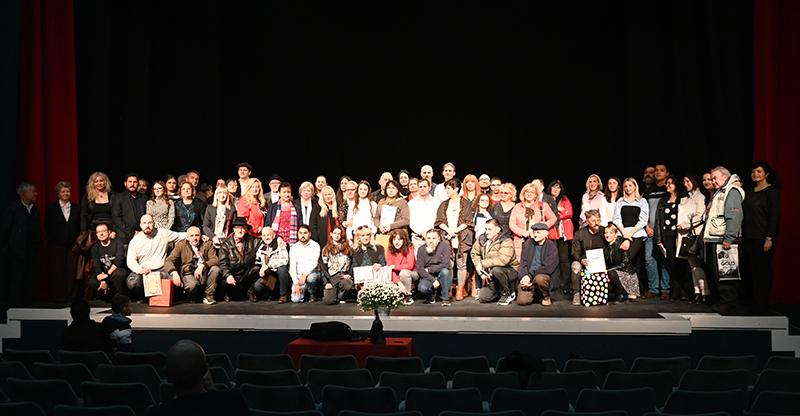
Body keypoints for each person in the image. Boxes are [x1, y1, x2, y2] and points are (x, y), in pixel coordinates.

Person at [145, 340, 248, 416]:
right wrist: (212, 389)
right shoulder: (233, 401)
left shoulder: (156, 413)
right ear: (205, 371)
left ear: (167, 375)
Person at [703, 166, 745, 314]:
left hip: (724, 240)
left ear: (725, 177)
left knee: (726, 274)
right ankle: (723, 302)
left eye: (715, 178)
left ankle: (730, 304)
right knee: (718, 274)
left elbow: (734, 216)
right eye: (712, 178)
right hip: (716, 238)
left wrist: (729, 238)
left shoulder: (731, 191)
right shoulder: (720, 191)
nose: (713, 181)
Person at [742, 161, 780, 313]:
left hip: (762, 238)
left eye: (759, 171)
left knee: (763, 270)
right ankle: (752, 301)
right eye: (753, 172)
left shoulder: (771, 192)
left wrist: (769, 238)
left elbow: (774, 217)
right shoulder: (749, 192)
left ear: (766, 174)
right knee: (751, 270)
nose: (755, 174)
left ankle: (762, 303)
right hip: (748, 237)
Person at [0, 182, 42, 314]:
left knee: (28, 280)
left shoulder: (33, 209)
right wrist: (9, 250)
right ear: (23, 193)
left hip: (30, 252)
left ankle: (25, 309)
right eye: (33, 191)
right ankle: (11, 309)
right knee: (15, 281)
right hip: (15, 253)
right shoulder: (13, 210)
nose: (35, 194)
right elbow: (5, 231)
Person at [126, 214, 186, 301]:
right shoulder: (135, 241)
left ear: (154, 224)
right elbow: (130, 261)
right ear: (140, 225)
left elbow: (181, 235)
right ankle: (143, 297)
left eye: (150, 223)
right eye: (144, 223)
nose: (147, 225)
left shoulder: (163, 233)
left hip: (161, 269)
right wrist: (140, 270)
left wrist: (199, 235)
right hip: (144, 270)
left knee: (176, 283)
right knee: (132, 283)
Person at [435, 178, 474, 301]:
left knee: (461, 264)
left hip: (462, 237)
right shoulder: (444, 204)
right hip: (447, 237)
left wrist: (455, 231)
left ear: (456, 189)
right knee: (449, 264)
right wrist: (448, 230)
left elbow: (468, 221)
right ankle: (449, 288)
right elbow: (439, 221)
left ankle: (460, 289)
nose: (447, 191)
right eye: (446, 188)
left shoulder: (466, 203)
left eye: (449, 188)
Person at [612, 178, 651, 297]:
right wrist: (624, 233)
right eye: (626, 186)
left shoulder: (642, 201)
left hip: (637, 234)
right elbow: (616, 218)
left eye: (630, 185)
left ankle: (631, 289)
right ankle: (625, 290)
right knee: (621, 260)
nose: (628, 188)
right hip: (622, 232)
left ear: (635, 187)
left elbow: (643, 220)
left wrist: (631, 233)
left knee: (628, 259)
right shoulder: (620, 201)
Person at [654, 176, 690, 300]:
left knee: (681, 262)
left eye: (671, 183)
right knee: (671, 262)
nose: (668, 185)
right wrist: (659, 239)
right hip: (667, 235)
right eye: (667, 183)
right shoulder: (663, 200)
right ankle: (674, 290)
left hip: (680, 235)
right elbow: (658, 221)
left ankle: (682, 290)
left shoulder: (683, 199)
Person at [165, 226, 220, 305]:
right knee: (193, 285)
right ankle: (192, 296)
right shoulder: (181, 245)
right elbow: (169, 260)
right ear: (187, 237)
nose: (194, 238)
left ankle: (209, 295)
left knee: (215, 269)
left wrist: (203, 265)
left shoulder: (207, 243)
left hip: (203, 272)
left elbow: (215, 260)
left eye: (197, 235)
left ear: (201, 236)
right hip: (188, 272)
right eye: (192, 236)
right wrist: (174, 272)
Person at [46, 181, 81, 302]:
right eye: (63, 192)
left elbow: (79, 225)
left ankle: (71, 296)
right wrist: (55, 239)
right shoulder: (51, 208)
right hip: (57, 245)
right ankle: (58, 296)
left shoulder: (76, 208)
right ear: (58, 194)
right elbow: (48, 226)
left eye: (68, 191)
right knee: (57, 271)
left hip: (72, 245)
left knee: (71, 271)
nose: (66, 193)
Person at [472, 219, 519, 305]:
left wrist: (483, 263)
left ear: (497, 230)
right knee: (483, 297)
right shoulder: (482, 239)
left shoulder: (506, 240)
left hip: (509, 271)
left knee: (497, 270)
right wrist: (481, 271)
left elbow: (503, 260)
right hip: (492, 275)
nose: (486, 232)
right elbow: (474, 253)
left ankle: (507, 293)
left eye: (489, 229)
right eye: (486, 229)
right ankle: (500, 291)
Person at [677, 175, 708, 303]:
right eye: (684, 182)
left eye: (688, 181)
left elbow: (700, 216)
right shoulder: (686, 198)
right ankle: (697, 293)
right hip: (686, 234)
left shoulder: (700, 197)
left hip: (695, 234)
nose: (686, 184)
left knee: (697, 265)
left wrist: (685, 224)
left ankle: (705, 292)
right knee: (692, 266)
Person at [642, 164, 670, 300]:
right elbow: (644, 211)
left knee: (665, 259)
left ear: (667, 173)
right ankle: (653, 289)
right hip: (650, 231)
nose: (658, 172)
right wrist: (647, 227)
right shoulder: (649, 191)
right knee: (649, 259)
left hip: (664, 232)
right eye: (656, 170)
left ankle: (665, 289)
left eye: (662, 170)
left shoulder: (668, 189)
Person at [509, 182, 556, 261]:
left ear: (536, 195)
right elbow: (512, 224)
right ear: (523, 193)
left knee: (537, 262)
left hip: (538, 239)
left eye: (532, 192)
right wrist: (522, 232)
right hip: (521, 241)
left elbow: (553, 218)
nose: (529, 194)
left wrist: (542, 226)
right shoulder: (517, 206)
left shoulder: (543, 205)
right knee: (522, 263)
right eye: (527, 192)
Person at [516, 223, 559, 306]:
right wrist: (524, 277)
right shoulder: (528, 244)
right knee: (522, 301)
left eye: (538, 232)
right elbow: (523, 263)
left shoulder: (551, 246)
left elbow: (547, 268)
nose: (535, 235)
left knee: (539, 279)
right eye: (534, 232)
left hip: (542, 275)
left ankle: (545, 296)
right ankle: (536, 295)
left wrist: (530, 276)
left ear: (546, 234)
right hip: (529, 276)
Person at [218, 217, 259, 302]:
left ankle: (250, 292)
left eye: (243, 228)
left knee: (256, 268)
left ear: (246, 230)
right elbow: (223, 263)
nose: (240, 231)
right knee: (232, 293)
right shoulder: (226, 244)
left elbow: (266, 240)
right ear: (233, 229)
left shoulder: (253, 240)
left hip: (247, 275)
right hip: (233, 274)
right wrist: (228, 275)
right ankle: (228, 293)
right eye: (237, 228)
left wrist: (278, 238)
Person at [571, 210, 606, 305]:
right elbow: (575, 252)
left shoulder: (604, 231)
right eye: (593, 220)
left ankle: (604, 294)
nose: (596, 223)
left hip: (602, 261)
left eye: (598, 220)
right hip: (585, 261)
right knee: (575, 266)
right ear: (587, 221)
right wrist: (581, 260)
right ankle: (577, 293)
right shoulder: (580, 234)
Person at [547, 179, 574, 295]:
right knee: (553, 258)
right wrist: (557, 211)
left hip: (563, 232)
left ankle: (565, 283)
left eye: (558, 187)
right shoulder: (547, 199)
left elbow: (569, 213)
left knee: (564, 259)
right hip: (551, 232)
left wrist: (556, 213)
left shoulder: (564, 199)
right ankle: (554, 283)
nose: (556, 189)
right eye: (554, 187)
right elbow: (547, 215)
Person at [88, 222, 128, 300]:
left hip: (115, 270)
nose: (101, 234)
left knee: (119, 274)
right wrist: (103, 280)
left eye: (103, 231)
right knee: (92, 281)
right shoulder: (95, 248)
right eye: (98, 232)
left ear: (109, 232)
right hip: (104, 273)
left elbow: (119, 260)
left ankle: (119, 297)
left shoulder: (118, 242)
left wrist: (107, 274)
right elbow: (96, 266)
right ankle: (105, 296)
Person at [416, 229, 453, 306]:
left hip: (441, 273)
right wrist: (433, 280)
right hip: (429, 276)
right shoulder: (421, 249)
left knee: (445, 271)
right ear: (425, 239)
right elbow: (420, 269)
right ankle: (431, 297)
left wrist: (429, 269)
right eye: (428, 238)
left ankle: (445, 299)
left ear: (438, 239)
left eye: (434, 238)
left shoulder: (444, 246)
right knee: (422, 288)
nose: (431, 241)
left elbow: (446, 264)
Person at [253, 227, 290, 303]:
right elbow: (258, 260)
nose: (266, 237)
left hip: (277, 272)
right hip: (268, 274)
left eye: (268, 235)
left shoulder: (280, 244)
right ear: (262, 237)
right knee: (257, 286)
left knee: (282, 269)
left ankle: (283, 295)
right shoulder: (260, 247)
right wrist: (262, 267)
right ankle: (271, 294)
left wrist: (268, 265)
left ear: (273, 235)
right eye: (264, 235)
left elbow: (284, 261)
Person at [320, 224, 353, 305]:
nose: (337, 236)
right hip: (332, 277)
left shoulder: (347, 248)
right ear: (331, 234)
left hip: (344, 276)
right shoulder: (326, 249)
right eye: (335, 233)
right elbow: (323, 267)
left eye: (339, 233)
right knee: (328, 301)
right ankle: (336, 295)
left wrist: (349, 274)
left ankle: (342, 296)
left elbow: (352, 263)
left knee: (347, 284)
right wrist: (326, 282)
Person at [289, 225, 322, 303]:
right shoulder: (294, 248)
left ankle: (313, 293)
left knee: (311, 278)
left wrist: (305, 274)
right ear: (297, 234)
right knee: (295, 299)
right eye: (300, 233)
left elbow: (314, 263)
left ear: (310, 234)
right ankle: (305, 291)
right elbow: (292, 267)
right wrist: (296, 283)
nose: (302, 235)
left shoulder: (315, 245)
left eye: (305, 233)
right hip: (299, 278)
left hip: (311, 274)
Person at [603, 223, 635, 301]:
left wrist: (607, 271)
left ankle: (622, 294)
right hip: (613, 275)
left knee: (611, 273)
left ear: (616, 234)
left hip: (626, 275)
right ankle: (621, 294)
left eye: (611, 233)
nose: (607, 235)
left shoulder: (622, 245)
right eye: (606, 233)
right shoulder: (605, 248)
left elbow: (624, 264)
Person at [112, 173, 147, 242]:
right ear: (125, 184)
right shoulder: (118, 197)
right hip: (124, 236)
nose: (132, 184)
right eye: (130, 182)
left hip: (142, 235)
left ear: (138, 184)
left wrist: (142, 231)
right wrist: (132, 232)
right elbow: (116, 217)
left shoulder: (144, 198)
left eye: (135, 182)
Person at [385, 229, 417, 305]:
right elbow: (390, 269)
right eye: (394, 240)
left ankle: (407, 296)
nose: (396, 242)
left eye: (399, 239)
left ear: (404, 240)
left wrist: (394, 266)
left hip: (412, 273)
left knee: (404, 272)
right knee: (388, 272)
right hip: (397, 276)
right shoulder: (389, 250)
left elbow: (410, 265)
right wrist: (399, 283)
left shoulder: (409, 248)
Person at [408, 178, 439, 251]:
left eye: (425, 186)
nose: (422, 189)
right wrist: (421, 232)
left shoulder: (437, 202)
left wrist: (429, 232)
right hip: (417, 238)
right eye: (420, 187)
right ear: (418, 188)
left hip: (433, 237)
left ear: (429, 188)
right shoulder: (411, 203)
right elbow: (410, 221)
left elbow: (438, 219)